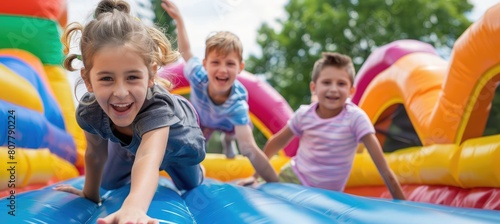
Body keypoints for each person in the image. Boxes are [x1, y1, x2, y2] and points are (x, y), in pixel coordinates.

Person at [54, 1, 206, 223]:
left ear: (151, 75)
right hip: (136, 142)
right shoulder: (90, 112)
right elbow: (95, 154)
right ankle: (129, 148)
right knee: (109, 183)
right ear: (87, 79)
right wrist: (90, 194)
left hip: (179, 144)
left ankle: (190, 167)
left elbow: (148, 157)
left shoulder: (157, 108)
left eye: (132, 77)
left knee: (190, 184)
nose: (121, 92)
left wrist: (133, 208)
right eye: (106, 78)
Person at [252, 52, 406, 199]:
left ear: (351, 90)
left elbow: (382, 167)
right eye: (326, 82)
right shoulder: (305, 115)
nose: (333, 89)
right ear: (314, 87)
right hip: (294, 179)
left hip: (329, 194)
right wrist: (254, 176)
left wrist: (402, 203)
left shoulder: (355, 118)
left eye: (341, 84)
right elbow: (277, 142)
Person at [161, 0, 279, 184]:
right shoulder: (198, 76)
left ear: (240, 67)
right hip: (202, 120)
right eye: (216, 62)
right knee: (197, 144)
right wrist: (179, 20)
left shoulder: (237, 102)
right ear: (205, 64)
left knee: (239, 133)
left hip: (228, 122)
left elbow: (248, 148)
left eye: (230, 64)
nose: (223, 70)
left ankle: (227, 141)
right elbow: (186, 50)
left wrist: (275, 184)